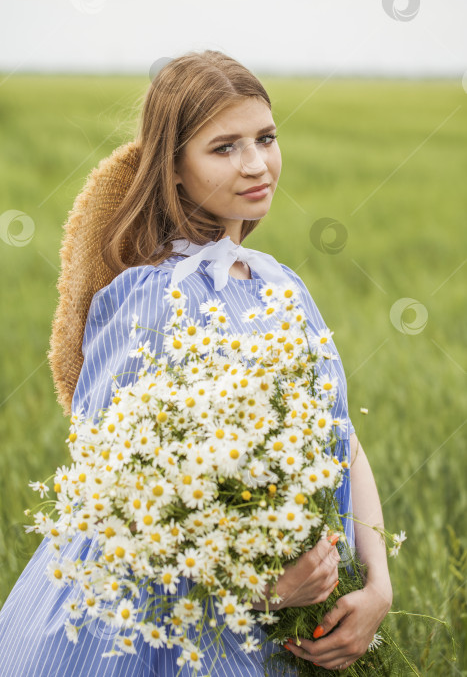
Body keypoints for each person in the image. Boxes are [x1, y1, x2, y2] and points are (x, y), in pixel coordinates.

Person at [0, 49, 393, 675]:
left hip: (290, 623)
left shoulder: (283, 286)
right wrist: (257, 593)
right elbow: (116, 505)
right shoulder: (149, 296)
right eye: (224, 147)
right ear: (173, 167)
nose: (257, 163)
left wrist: (377, 583)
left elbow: (338, 434)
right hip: (162, 633)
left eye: (266, 138)